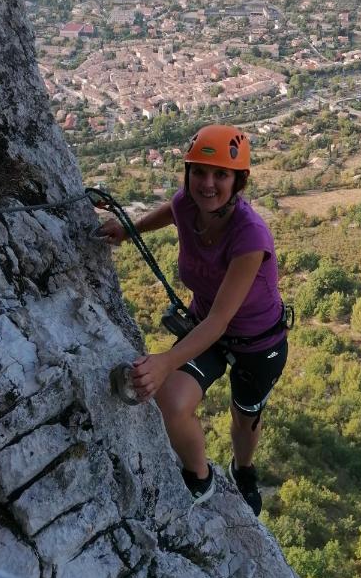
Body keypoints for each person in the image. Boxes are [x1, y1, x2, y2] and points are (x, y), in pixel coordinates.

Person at [99, 124, 288, 514]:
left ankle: (245, 469)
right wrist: (128, 230)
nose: (207, 183)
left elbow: (222, 318)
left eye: (221, 174)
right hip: (208, 332)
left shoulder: (250, 236)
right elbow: (172, 211)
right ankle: (200, 477)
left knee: (244, 419)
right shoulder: (188, 204)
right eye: (199, 171)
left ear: (239, 181)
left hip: (258, 344)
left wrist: (165, 361)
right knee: (170, 401)